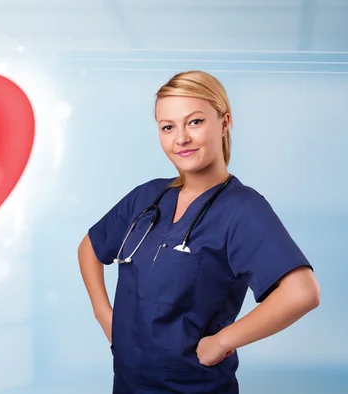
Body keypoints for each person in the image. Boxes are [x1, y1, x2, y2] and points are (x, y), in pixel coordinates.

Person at [77, 70, 320, 393]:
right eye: (168, 127)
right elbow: (90, 247)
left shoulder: (242, 209)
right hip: (128, 382)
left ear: (224, 122)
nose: (181, 139)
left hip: (192, 386)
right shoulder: (147, 197)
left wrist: (222, 341)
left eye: (194, 122)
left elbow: (302, 292)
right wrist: (103, 314)